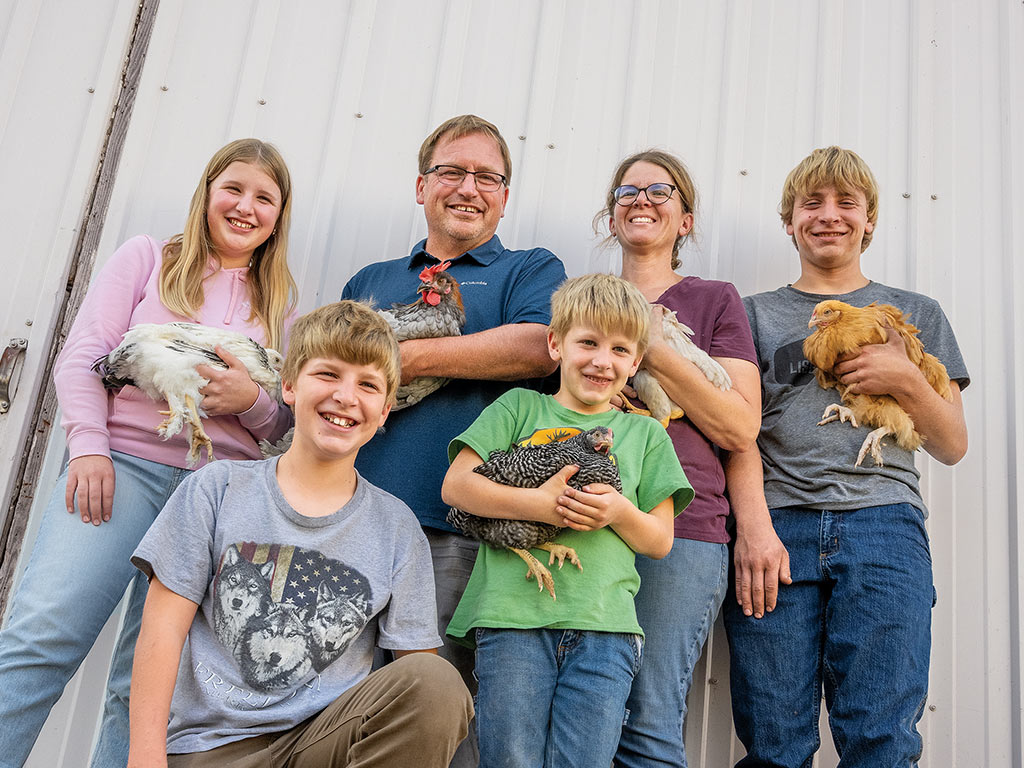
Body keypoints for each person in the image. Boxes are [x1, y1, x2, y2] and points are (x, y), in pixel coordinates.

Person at [0, 138, 297, 768]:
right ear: (207, 193)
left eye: (264, 198)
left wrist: (247, 401)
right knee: (41, 640)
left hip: (216, 497)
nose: (245, 207)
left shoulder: (281, 306)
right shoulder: (147, 259)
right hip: (121, 471)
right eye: (233, 189)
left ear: (279, 214)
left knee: (146, 685)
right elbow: (83, 358)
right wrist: (88, 448)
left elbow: (278, 428)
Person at [127, 300, 472, 767]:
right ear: (288, 385)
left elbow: (419, 675)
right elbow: (162, 631)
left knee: (437, 682)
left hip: (322, 748)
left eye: (368, 385)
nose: (346, 397)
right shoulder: (219, 488)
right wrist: (145, 757)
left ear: (385, 409)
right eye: (328, 375)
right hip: (212, 751)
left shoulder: (395, 527)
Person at [722, 146, 969, 767]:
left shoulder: (916, 314)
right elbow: (735, 435)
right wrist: (752, 529)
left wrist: (906, 378)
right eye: (812, 203)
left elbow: (952, 444)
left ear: (870, 219)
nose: (829, 215)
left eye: (846, 203)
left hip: (885, 526)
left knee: (881, 740)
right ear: (790, 220)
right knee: (775, 743)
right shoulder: (750, 316)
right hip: (778, 532)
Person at [341, 114, 566, 767]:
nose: (469, 187)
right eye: (452, 171)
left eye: (487, 176)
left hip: (454, 532)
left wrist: (405, 356)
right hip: (350, 526)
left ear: (503, 195)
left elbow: (534, 346)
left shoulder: (529, 269)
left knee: (437, 719)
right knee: (334, 710)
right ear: (421, 186)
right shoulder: (372, 280)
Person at [442, 273, 694, 768]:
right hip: (511, 619)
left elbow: (661, 541)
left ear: (636, 362)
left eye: (620, 349)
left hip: (605, 628)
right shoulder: (519, 406)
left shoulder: (645, 436)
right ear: (556, 344)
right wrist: (541, 505)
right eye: (588, 343)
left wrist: (618, 511)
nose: (603, 360)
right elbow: (457, 486)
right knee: (510, 758)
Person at [598, 150, 761, 768]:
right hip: (584, 517)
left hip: (683, 525)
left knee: (645, 720)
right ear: (610, 216)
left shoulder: (714, 300)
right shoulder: (581, 299)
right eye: (627, 190)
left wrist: (651, 345)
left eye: (660, 191)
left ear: (685, 220)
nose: (642, 199)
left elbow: (739, 425)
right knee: (582, 710)